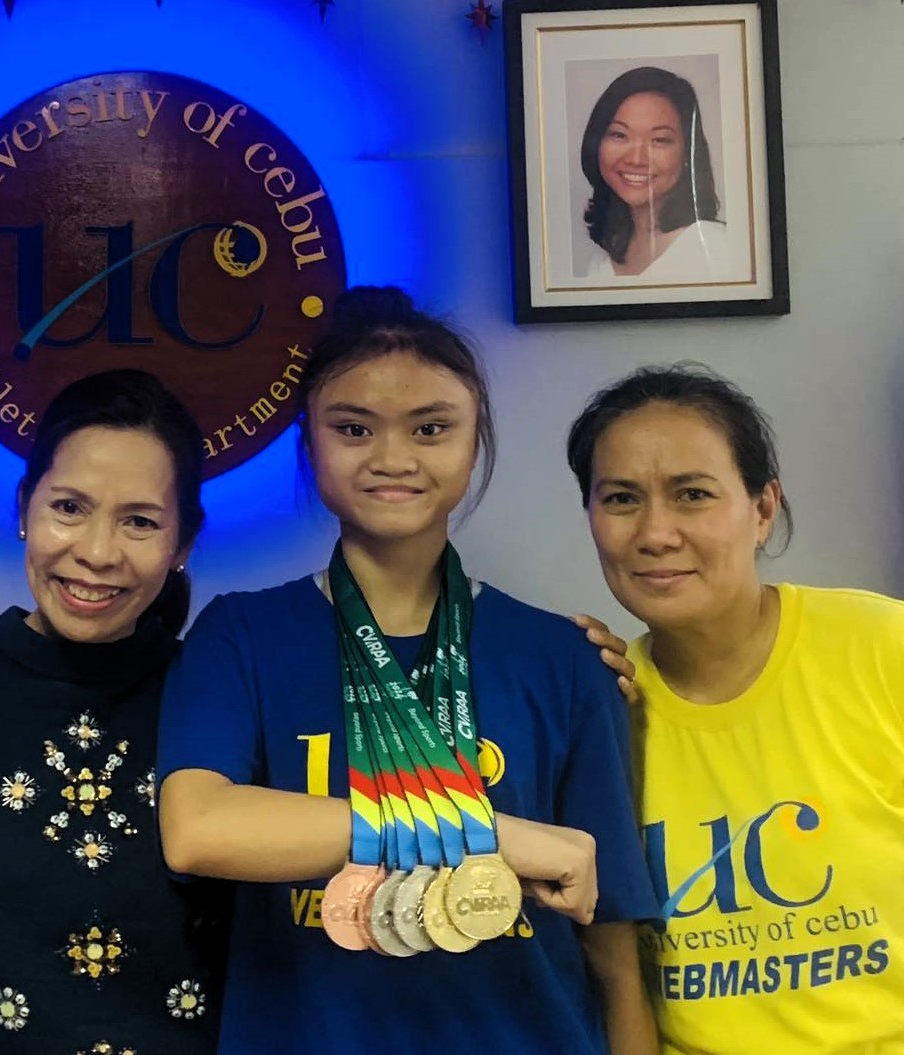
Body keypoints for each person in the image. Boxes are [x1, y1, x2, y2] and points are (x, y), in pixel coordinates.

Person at [157, 285, 660, 1055]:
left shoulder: (561, 659)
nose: (392, 458)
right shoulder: (242, 636)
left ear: (473, 440)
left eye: (430, 427)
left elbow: (614, 954)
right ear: (308, 442)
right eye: (353, 428)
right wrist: (489, 834)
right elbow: (196, 829)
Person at [566, 363, 904, 1055]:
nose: (655, 533)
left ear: (761, 508)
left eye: (691, 494)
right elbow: (611, 969)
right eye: (621, 498)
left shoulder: (880, 646)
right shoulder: (599, 706)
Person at [0, 369, 228, 1055]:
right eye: (69, 507)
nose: (97, 553)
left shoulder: (224, 695)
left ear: (183, 541)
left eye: (138, 521)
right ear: (24, 507)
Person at [579, 67, 730, 282]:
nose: (636, 159)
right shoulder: (601, 261)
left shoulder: (717, 250)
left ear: (688, 153)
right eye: (619, 135)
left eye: (659, 140)